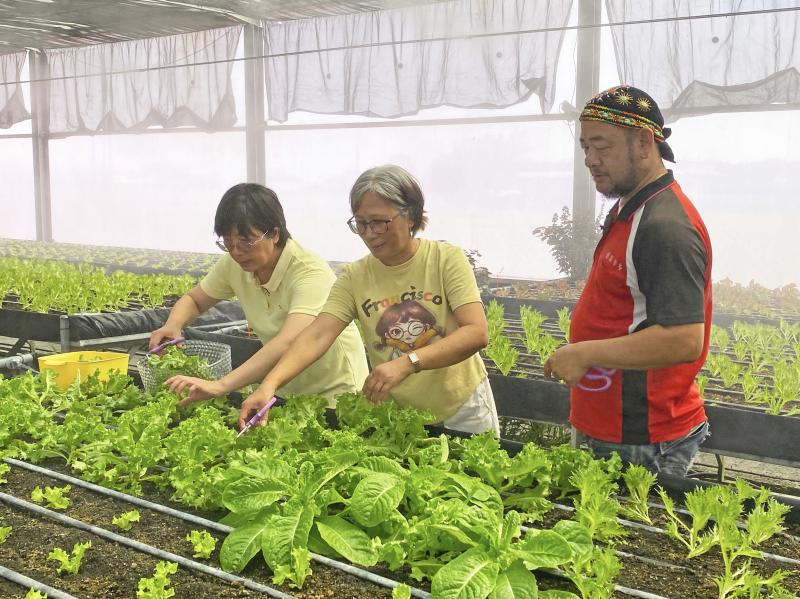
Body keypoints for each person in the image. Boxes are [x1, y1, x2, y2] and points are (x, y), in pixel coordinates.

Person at [237, 165, 500, 435]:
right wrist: (268, 386)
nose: (370, 232)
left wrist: (406, 362)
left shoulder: (445, 259)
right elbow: (316, 336)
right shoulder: (355, 276)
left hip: (462, 405)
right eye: (361, 223)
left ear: (410, 216)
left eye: (379, 222)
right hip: (401, 413)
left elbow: (475, 333)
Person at [544, 86, 712, 476]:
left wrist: (584, 353)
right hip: (614, 423)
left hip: (640, 435)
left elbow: (684, 339)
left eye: (601, 147)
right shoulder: (629, 208)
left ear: (643, 142)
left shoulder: (664, 226)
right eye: (585, 147)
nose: (590, 160)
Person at [150, 183, 369, 405]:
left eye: (246, 242)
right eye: (228, 243)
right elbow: (195, 300)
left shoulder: (309, 272)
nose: (236, 252)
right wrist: (173, 324)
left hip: (335, 393)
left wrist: (220, 385)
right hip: (281, 387)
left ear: (274, 233)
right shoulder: (234, 264)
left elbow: (289, 341)